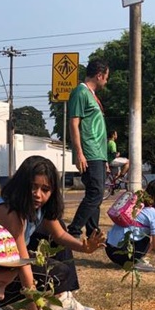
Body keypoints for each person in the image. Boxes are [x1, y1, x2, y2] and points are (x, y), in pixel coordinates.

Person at [0, 155, 104, 310]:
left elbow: (60, 234)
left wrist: (84, 247)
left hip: (6, 260)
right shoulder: (10, 212)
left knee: (59, 229)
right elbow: (22, 264)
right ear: (21, 185)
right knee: (56, 274)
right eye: (33, 187)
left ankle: (62, 297)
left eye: (45, 190)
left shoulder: (38, 207)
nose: (38, 194)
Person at [67, 59, 110, 240]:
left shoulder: (91, 95)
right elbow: (74, 123)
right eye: (106, 77)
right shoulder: (80, 92)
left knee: (97, 194)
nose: (106, 81)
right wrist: (79, 153)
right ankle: (74, 230)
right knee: (95, 192)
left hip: (98, 153)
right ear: (99, 75)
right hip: (89, 152)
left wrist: (105, 159)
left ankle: (93, 231)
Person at [104, 179, 155, 273]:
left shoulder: (137, 206)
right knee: (150, 237)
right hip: (125, 255)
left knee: (148, 233)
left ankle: (137, 260)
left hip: (110, 249)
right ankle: (137, 262)